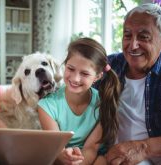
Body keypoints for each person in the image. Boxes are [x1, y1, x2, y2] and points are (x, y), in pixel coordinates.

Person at [101, 3, 161, 165]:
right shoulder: (110, 66)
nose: (133, 45)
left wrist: (144, 148)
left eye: (144, 37)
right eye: (127, 35)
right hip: (106, 156)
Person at [38, 37, 121, 165]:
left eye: (84, 73)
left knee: (102, 161)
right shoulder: (47, 106)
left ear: (97, 77)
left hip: (93, 156)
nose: (75, 78)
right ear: (65, 66)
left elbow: (91, 149)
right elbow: (57, 149)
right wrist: (64, 156)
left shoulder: (104, 104)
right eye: (71, 69)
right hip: (61, 157)